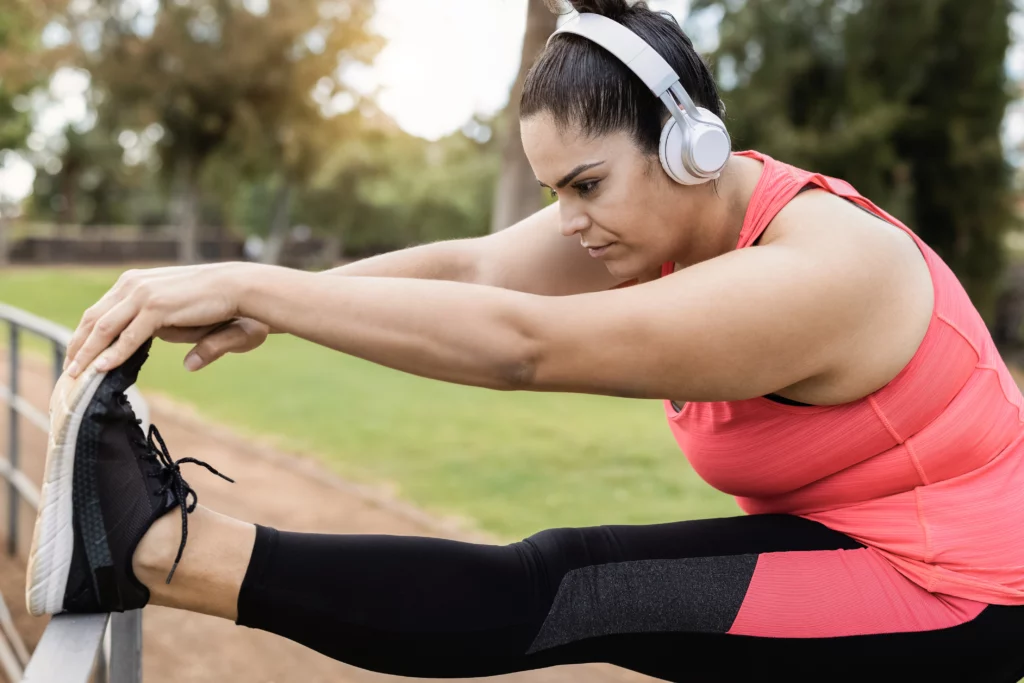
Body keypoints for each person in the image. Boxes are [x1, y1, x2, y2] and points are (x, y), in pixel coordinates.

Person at [25, 1, 1024, 680]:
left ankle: (155, 550)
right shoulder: (655, 217)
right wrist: (271, 310)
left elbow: (523, 345)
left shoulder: (824, 269)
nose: (569, 220)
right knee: (580, 576)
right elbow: (475, 268)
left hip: (959, 582)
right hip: (852, 533)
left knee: (576, 584)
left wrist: (260, 283)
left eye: (585, 184)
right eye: (552, 192)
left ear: (692, 144)